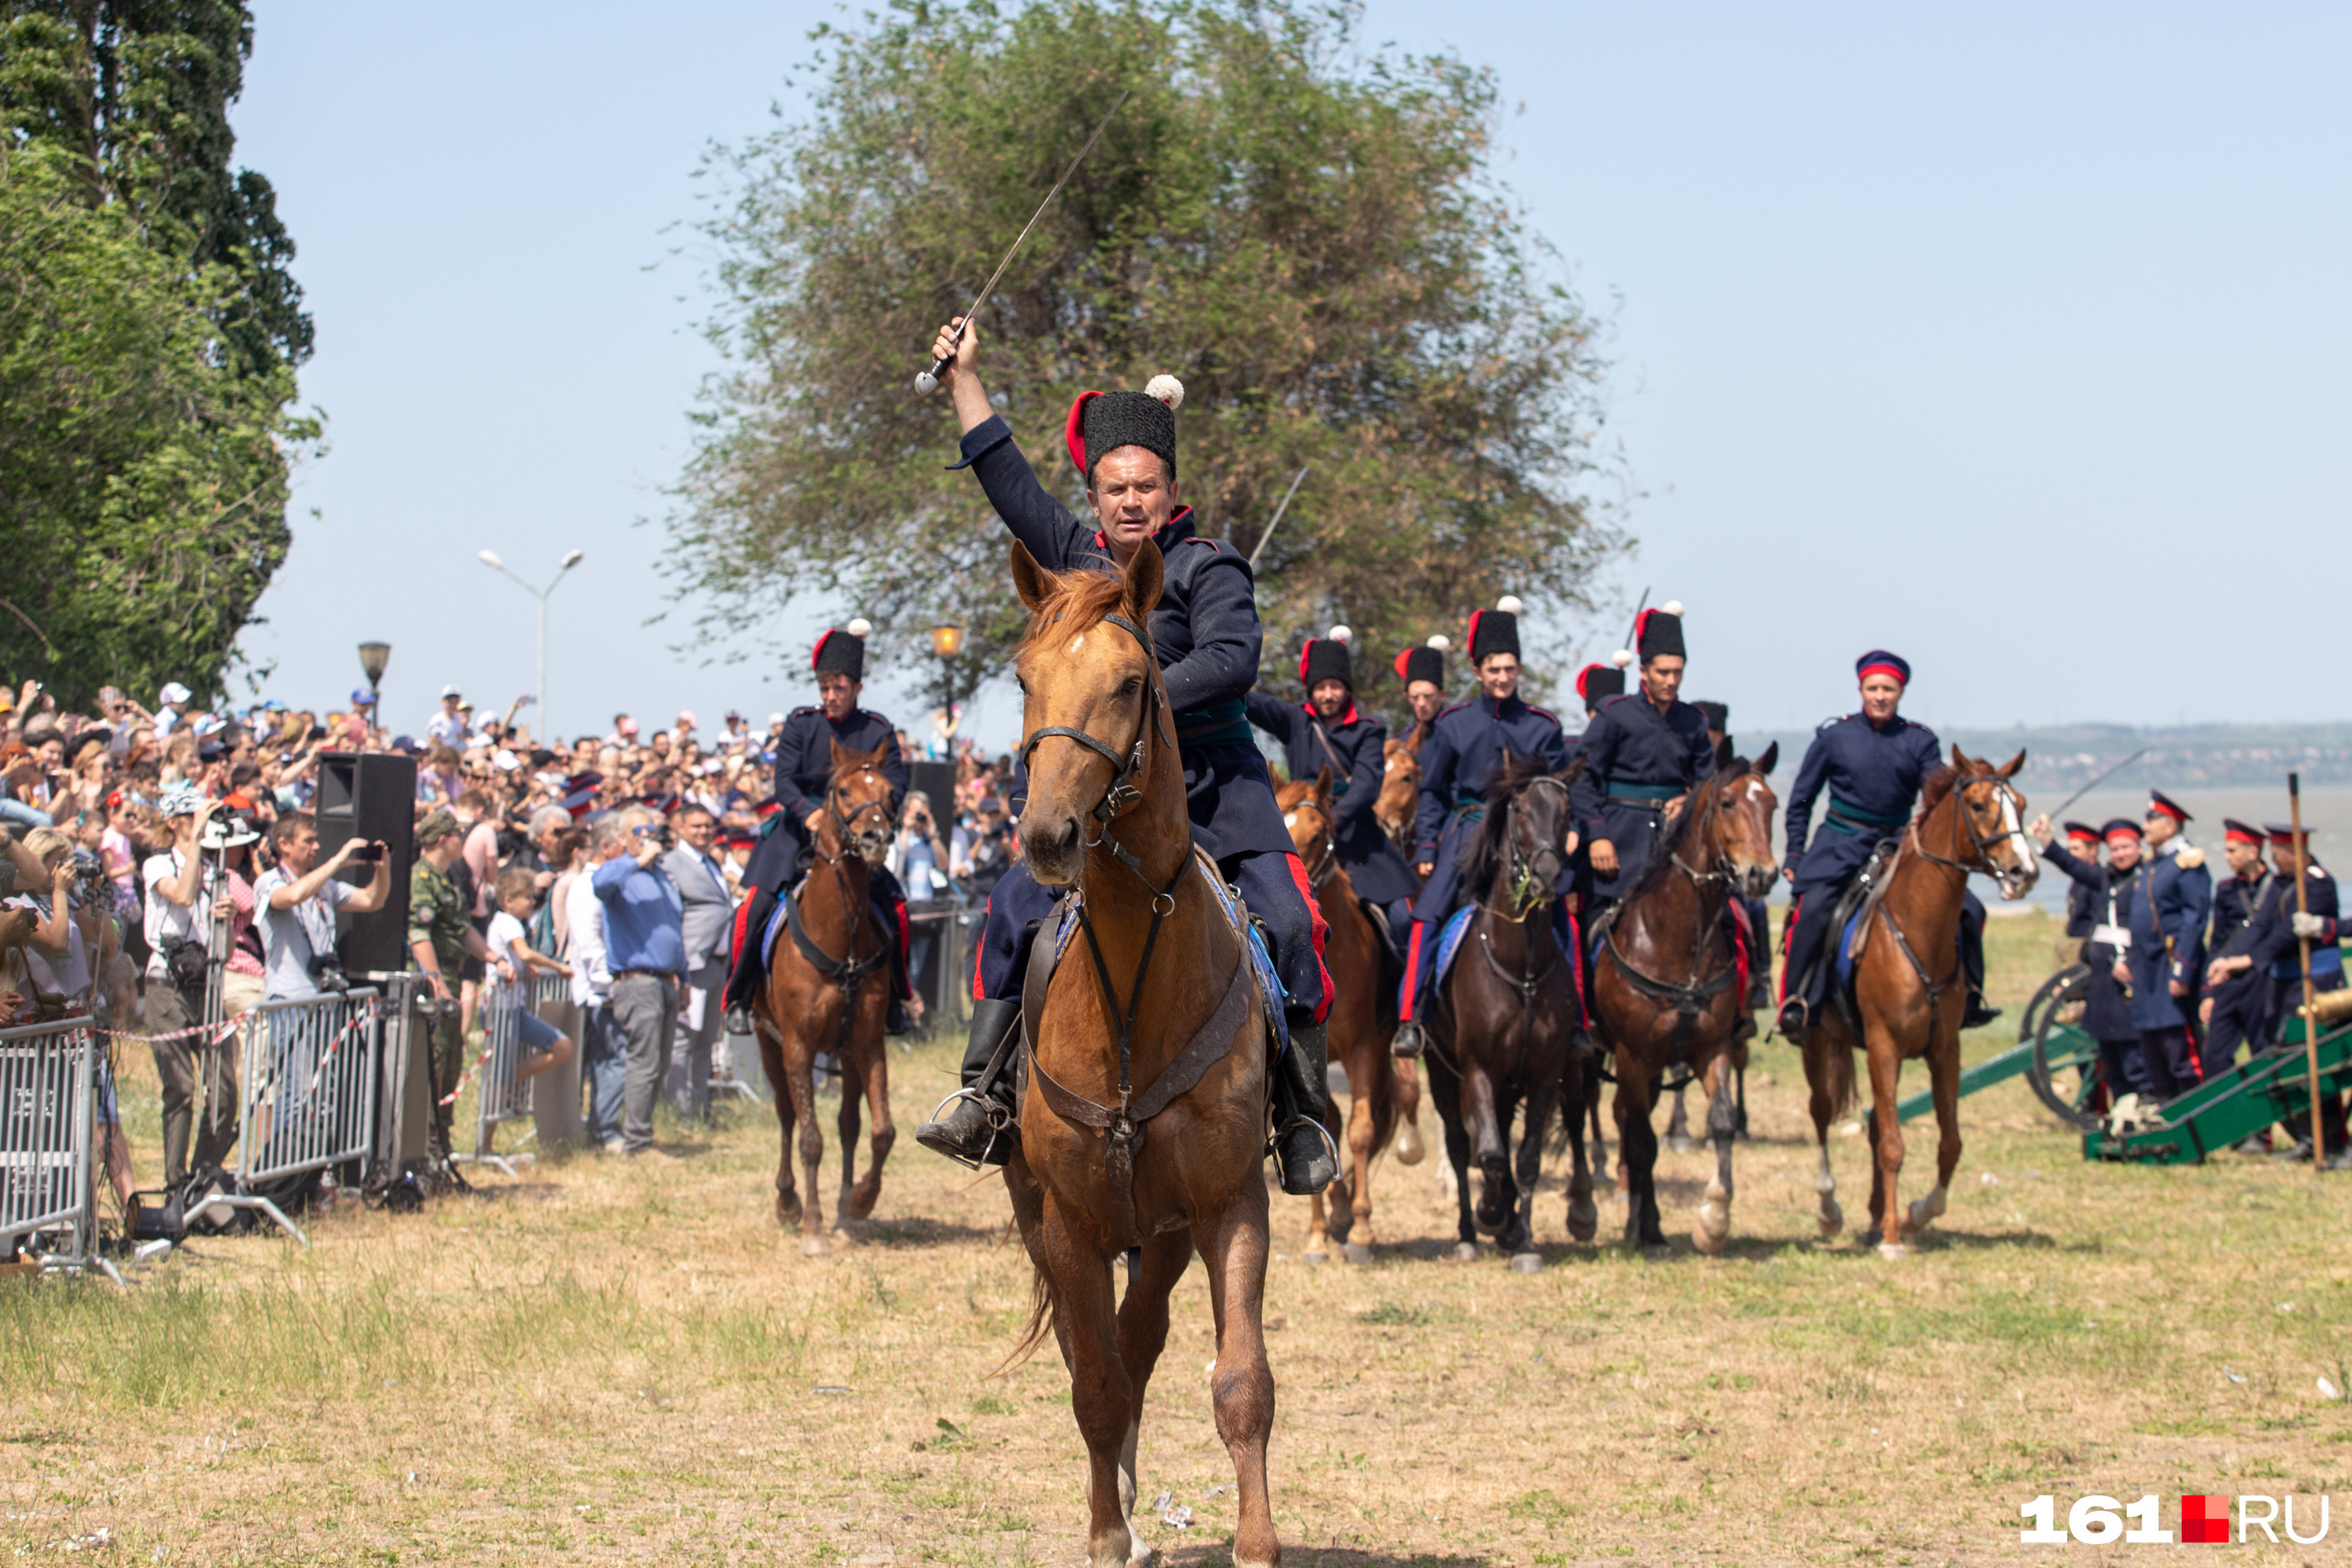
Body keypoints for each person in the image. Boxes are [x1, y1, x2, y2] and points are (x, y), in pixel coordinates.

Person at [912, 317, 1334, 1193]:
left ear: (1171, 489)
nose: (1131, 501)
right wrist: (963, 379)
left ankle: (1300, 1114)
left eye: (1146, 486)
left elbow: (1231, 661)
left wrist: (1132, 701)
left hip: (1217, 790)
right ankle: (985, 1094)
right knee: (1010, 906)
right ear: (1096, 496)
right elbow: (1005, 478)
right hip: (1105, 806)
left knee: (1294, 924)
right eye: (1114, 488)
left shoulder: (1212, 566)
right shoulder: (1076, 561)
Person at [1774, 649, 1995, 1036]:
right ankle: (1798, 1001)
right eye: (1873, 688)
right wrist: (1795, 851)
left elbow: (1938, 798)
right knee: (1814, 910)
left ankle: (1971, 996)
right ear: (1861, 689)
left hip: (1897, 845)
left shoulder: (1920, 741)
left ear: (1901, 692)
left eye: (1888, 689)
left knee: (1970, 909)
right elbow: (1802, 800)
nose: (1880, 696)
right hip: (1839, 842)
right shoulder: (1834, 735)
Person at [720, 621, 919, 1037]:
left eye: (839, 687)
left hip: (857, 837)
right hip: (798, 830)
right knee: (753, 907)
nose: (830, 696)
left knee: (896, 911)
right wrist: (810, 814)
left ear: (857, 688)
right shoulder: (801, 723)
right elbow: (784, 782)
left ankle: (898, 999)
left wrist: (872, 813)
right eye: (824, 687)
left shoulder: (878, 729)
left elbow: (897, 784)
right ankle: (738, 996)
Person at [1392, 597, 1570, 1059]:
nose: (1502, 677)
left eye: (1510, 668)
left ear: (1519, 670)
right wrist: (1428, 845)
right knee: (1425, 916)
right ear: (1477, 671)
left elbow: (1561, 789)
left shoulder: (1543, 726)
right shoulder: (1453, 725)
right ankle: (1411, 1018)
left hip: (1530, 833)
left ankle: (1579, 1024)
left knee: (1564, 917)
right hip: (1469, 829)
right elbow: (1432, 792)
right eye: (1494, 669)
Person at [1245, 626, 1419, 961]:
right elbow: (1249, 701)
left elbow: (1368, 784)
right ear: (1311, 690)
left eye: (1335, 687)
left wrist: (1334, 817)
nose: (1328, 695)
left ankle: (1404, 1006)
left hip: (1357, 838)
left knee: (1402, 920)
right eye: (1321, 687)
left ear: (1347, 690)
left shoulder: (1368, 730)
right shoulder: (1295, 719)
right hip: (1302, 832)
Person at [2206, 820, 2343, 1164]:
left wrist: (2249, 961)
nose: (2276, 859)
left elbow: (2286, 933)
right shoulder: (2280, 884)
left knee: (2315, 1063)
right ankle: (2310, 1139)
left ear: (2296, 852)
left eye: (2281, 853)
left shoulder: (2318, 884)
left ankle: (2334, 1142)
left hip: (2315, 983)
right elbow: (2262, 926)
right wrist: (2232, 959)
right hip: (2282, 984)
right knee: (2282, 1058)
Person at [1569, 603, 1713, 911]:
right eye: (1663, 672)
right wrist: (1597, 835)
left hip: (1676, 842)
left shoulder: (1695, 721)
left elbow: (1708, 783)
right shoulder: (1614, 715)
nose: (1671, 681)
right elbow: (1582, 779)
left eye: (1677, 672)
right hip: (1617, 840)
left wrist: (1690, 800)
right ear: (1643, 671)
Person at [140, 786, 236, 1184]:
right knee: (180, 1088)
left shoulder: (219, 873)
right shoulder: (158, 864)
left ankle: (203, 1173)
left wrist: (228, 920)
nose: (207, 823)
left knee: (226, 1092)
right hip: (168, 985)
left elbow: (226, 951)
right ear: (174, 821)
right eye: (198, 815)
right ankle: (175, 1180)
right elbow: (180, 895)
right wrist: (196, 840)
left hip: (209, 984)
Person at [2034, 817, 2153, 1103]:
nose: (2120, 854)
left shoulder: (2147, 880)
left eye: (2126, 847)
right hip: (2102, 980)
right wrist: (2047, 843)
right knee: (2111, 1056)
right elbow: (2073, 866)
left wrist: (2130, 960)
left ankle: (2142, 1109)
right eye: (2115, 849)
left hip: (2129, 977)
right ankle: (2120, 1111)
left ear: (2139, 848)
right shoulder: (2106, 879)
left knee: (2133, 1055)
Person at [407, 809, 505, 1153]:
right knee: (435, 1056)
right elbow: (419, 935)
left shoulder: (450, 877)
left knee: (451, 1057)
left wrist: (494, 958)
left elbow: (462, 931)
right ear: (441, 839)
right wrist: (438, 984)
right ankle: (424, 1138)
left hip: (453, 967)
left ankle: (442, 1136)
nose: (461, 840)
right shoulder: (421, 878)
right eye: (456, 834)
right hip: (434, 975)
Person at [593, 806, 687, 1157]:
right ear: (621, 838)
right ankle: (637, 1142)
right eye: (639, 830)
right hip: (638, 980)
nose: (648, 836)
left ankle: (641, 1133)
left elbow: (674, 930)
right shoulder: (620, 874)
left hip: (666, 980)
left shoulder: (662, 877)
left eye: (652, 830)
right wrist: (639, 858)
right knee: (644, 1062)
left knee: (659, 1063)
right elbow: (600, 883)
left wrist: (685, 977)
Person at [2125, 790, 2212, 1099]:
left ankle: (2195, 1114)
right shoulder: (2155, 864)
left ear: (2170, 826)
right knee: (2153, 1048)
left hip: (2169, 967)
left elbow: (2194, 920)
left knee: (2179, 1048)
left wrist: (2182, 971)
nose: (2145, 827)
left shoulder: (2186, 863)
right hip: (2147, 969)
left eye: (2151, 821)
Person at [253, 812, 390, 1001]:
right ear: (284, 845)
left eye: (316, 840)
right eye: (308, 841)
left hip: (323, 997)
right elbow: (293, 896)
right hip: (287, 997)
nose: (316, 847)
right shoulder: (268, 881)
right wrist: (337, 862)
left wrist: (383, 870)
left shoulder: (324, 885)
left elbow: (371, 900)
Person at [661, 803, 733, 1122]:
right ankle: (678, 1111)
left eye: (708, 826)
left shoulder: (711, 863)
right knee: (683, 1040)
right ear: (679, 828)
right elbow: (670, 916)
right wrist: (679, 967)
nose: (704, 831)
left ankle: (700, 1108)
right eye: (696, 826)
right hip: (692, 964)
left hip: (717, 962)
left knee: (706, 1041)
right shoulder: (671, 864)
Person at [2201, 819, 2275, 1103]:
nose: (2227, 857)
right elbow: (2217, 942)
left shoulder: (2275, 888)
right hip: (2227, 982)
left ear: (2252, 852)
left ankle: (2261, 1130)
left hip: (2261, 981)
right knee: (2215, 1056)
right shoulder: (2227, 889)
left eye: (2233, 851)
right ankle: (2231, 1114)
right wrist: (2207, 993)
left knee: (2262, 1051)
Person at [484, 867, 576, 1086]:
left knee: (562, 1047)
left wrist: (525, 965)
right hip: (500, 1011)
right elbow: (525, 952)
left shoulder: (511, 924)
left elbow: (519, 955)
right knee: (497, 1077)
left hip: (515, 1010)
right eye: (526, 897)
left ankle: (507, 1083)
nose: (532, 902)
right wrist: (558, 967)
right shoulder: (508, 922)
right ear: (508, 900)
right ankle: (501, 1090)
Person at [564, 824, 623, 1148]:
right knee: (612, 1059)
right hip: (598, 992)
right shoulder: (587, 886)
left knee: (609, 1060)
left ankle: (601, 1127)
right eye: (623, 844)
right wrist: (607, 983)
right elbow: (589, 941)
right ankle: (605, 1130)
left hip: (605, 989)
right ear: (606, 848)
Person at [2057, 820, 2103, 969]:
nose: (2072, 854)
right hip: (2071, 941)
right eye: (2070, 849)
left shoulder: (2096, 879)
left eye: (2077, 849)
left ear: (2093, 850)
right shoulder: (2078, 880)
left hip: (2084, 943)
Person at [1392, 636, 1451, 752]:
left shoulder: (1458, 734)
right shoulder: (1401, 743)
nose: (1421, 703)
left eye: (1428, 695)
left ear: (1442, 694)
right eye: (1415, 697)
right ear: (1407, 696)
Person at [426, 685, 468, 751]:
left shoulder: (457, 718)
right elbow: (431, 741)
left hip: (455, 754)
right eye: (450, 701)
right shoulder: (437, 720)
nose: (453, 704)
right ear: (443, 701)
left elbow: (460, 738)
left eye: (455, 701)